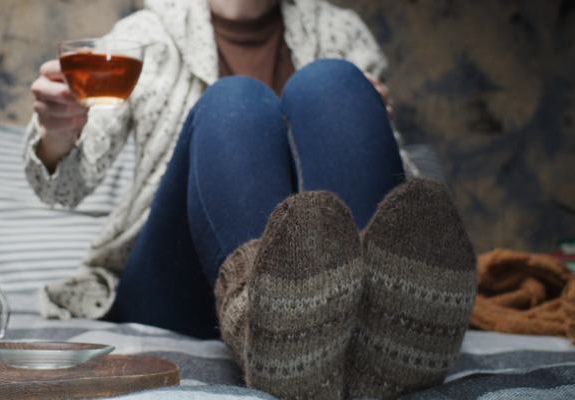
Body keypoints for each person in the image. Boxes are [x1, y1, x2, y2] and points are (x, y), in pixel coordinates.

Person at [24, 0, 477, 399]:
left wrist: (365, 119)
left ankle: (376, 332)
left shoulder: (340, 31)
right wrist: (59, 133)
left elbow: (397, 186)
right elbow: (64, 187)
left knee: (333, 81)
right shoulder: (145, 36)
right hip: (177, 283)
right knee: (234, 100)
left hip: (337, 285)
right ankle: (272, 330)